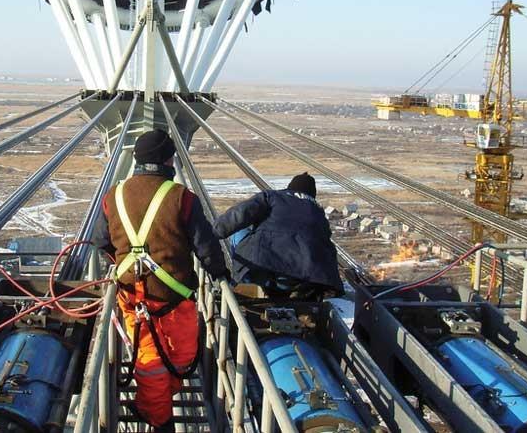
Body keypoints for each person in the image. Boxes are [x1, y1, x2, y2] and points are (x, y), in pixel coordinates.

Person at [91, 129, 228, 433]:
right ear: (169, 159)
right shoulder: (182, 198)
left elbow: (99, 241)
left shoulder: (113, 196)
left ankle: (157, 404)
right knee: (172, 359)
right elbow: (205, 245)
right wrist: (221, 274)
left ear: (137, 159)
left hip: (132, 296)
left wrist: (125, 263)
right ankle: (159, 418)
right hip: (175, 297)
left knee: (150, 361)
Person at [213, 172, 344, 299]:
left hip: (263, 267)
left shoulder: (272, 196)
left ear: (290, 187)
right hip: (308, 277)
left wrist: (212, 234)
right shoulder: (319, 213)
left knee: (240, 231)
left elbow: (239, 215)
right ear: (312, 195)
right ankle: (296, 291)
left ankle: (245, 282)